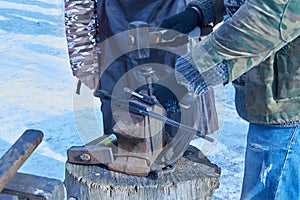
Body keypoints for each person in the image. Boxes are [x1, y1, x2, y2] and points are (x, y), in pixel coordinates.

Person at [160, 0, 300, 199]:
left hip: (288, 106)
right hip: (273, 98)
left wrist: (185, 77)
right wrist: (204, 10)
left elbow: (266, 18)